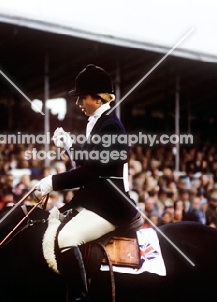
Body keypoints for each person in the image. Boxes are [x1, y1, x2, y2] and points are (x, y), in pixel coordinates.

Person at [36, 64, 143, 301]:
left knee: (66, 238)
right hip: (94, 199)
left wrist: (52, 181)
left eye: (82, 98)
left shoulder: (111, 126)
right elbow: (88, 160)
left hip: (109, 207)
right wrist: (69, 145)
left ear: (97, 98)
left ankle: (80, 298)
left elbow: (90, 172)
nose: (78, 103)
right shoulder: (99, 122)